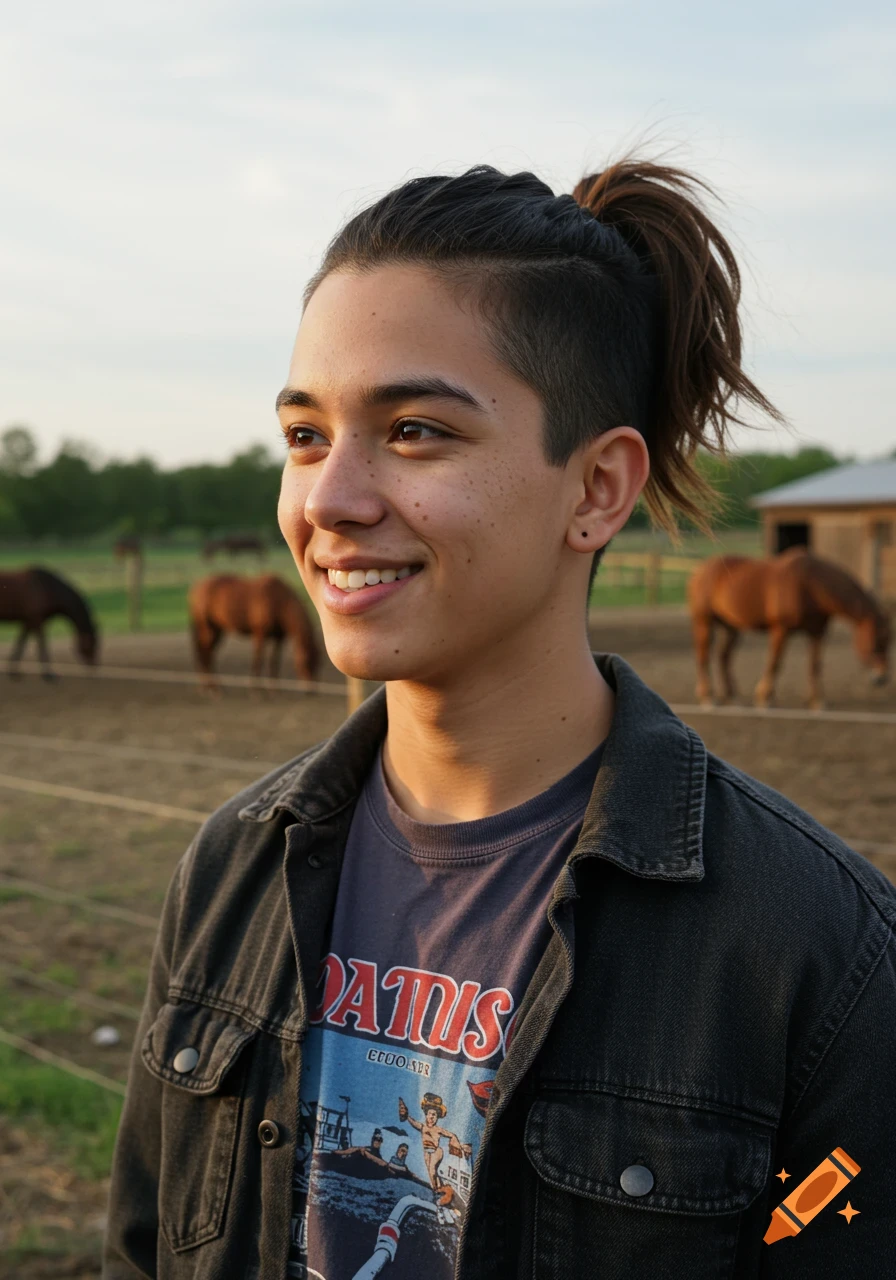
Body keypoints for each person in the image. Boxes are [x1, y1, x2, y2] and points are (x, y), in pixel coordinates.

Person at [103, 159, 896, 1280]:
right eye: (305, 435)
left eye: (416, 430)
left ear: (596, 489)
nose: (329, 499)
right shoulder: (234, 860)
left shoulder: (818, 953)